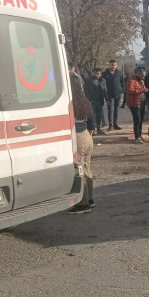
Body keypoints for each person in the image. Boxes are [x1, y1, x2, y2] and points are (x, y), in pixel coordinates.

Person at [68, 72, 95, 214]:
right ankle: (90, 199)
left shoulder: (69, 103)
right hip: (87, 136)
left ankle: (83, 204)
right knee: (87, 170)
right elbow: (92, 121)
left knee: (79, 172)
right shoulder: (84, 101)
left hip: (78, 138)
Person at [125, 67, 148, 144]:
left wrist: (145, 90)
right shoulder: (131, 80)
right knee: (137, 120)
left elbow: (143, 88)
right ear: (137, 73)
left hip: (141, 102)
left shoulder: (141, 81)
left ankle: (140, 135)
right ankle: (137, 137)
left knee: (141, 120)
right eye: (141, 75)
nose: (143, 77)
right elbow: (130, 91)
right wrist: (142, 90)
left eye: (144, 76)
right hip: (134, 103)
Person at [84, 68, 108, 135]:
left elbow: (105, 90)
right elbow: (86, 91)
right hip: (92, 101)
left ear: (100, 74)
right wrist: (89, 100)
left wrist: (107, 99)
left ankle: (99, 128)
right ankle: (93, 129)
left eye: (98, 73)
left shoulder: (103, 80)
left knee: (99, 115)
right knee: (93, 116)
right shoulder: (89, 80)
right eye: (95, 73)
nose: (96, 75)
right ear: (92, 73)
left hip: (100, 101)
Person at [102, 60, 125, 131]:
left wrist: (122, 90)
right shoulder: (104, 74)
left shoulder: (119, 73)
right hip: (109, 94)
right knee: (110, 110)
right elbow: (102, 84)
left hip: (118, 94)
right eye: (112, 65)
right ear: (109, 65)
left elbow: (123, 83)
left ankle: (115, 124)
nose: (113, 66)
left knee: (116, 109)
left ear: (116, 65)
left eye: (114, 65)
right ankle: (110, 125)